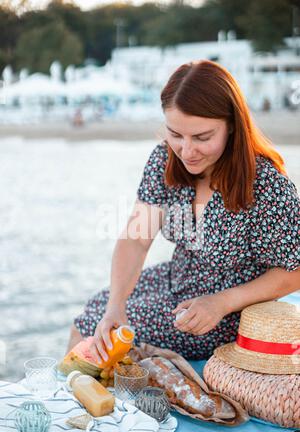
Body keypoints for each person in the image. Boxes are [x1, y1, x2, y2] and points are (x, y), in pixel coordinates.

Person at [67, 60, 300, 364]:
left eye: (202, 137)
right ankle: (75, 402)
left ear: (232, 125)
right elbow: (136, 241)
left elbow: (294, 271)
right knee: (96, 312)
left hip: (228, 311)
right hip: (174, 281)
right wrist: (116, 304)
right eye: (176, 134)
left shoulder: (267, 185)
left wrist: (221, 302)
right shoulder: (165, 159)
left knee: (93, 329)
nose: (186, 151)